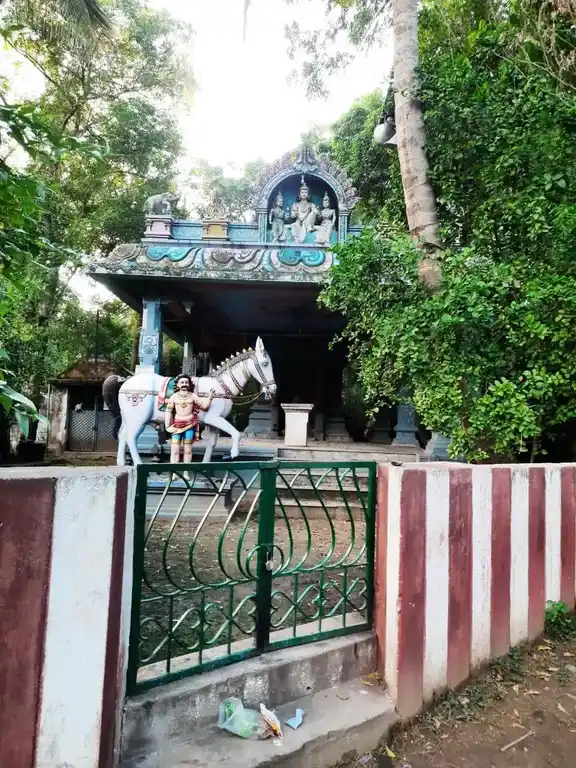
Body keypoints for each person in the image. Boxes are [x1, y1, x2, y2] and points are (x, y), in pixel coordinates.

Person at [165, 374, 215, 464]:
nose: (184, 384)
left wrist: (210, 397)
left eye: (186, 382)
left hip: (190, 425)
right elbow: (168, 412)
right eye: (182, 382)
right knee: (174, 450)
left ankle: (186, 472)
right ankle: (174, 471)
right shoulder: (173, 397)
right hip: (176, 426)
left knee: (188, 450)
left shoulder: (193, 396)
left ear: (189, 384)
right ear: (177, 385)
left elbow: (204, 407)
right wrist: (167, 425)